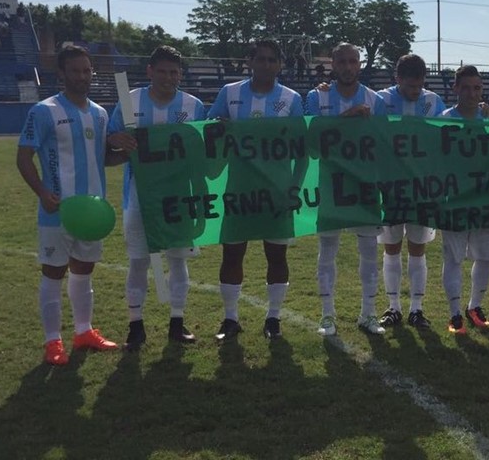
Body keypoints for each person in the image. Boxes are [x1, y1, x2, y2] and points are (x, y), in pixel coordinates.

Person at [16, 45, 124, 365]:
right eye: (75, 70)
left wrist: (128, 153)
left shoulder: (100, 114)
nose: (82, 76)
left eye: (87, 70)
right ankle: (53, 342)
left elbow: (102, 159)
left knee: (84, 272)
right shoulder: (44, 110)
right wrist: (42, 193)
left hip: (92, 214)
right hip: (57, 211)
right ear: (61, 73)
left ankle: (83, 331)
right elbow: (23, 157)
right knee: (53, 273)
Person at [107, 45, 206, 350]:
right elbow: (109, 145)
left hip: (179, 195)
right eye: (161, 71)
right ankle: (135, 326)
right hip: (139, 195)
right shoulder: (129, 99)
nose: (168, 77)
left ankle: (177, 322)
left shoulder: (193, 105)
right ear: (150, 71)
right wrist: (115, 140)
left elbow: (203, 150)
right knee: (139, 261)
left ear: (180, 74)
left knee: (177, 261)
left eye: (174, 72)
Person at [207, 40, 304, 340]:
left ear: (280, 65)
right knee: (232, 255)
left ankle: (273, 318)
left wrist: (294, 188)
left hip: (276, 191)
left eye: (272, 59)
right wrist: (217, 125)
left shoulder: (291, 98)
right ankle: (230, 319)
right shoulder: (230, 93)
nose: (265, 64)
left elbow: (301, 150)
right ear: (250, 61)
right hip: (239, 189)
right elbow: (209, 129)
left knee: (277, 256)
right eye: (260, 59)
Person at [305, 42, 388, 336]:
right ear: (333, 65)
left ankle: (369, 313)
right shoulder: (317, 97)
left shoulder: (375, 100)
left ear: (361, 64)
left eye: (354, 61)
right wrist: (347, 118)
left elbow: (383, 144)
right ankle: (327, 315)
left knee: (369, 252)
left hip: (365, 185)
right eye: (342, 62)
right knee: (327, 250)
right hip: (330, 184)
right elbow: (312, 140)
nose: (348, 67)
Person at [376, 54, 445, 330]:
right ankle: (393, 307)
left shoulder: (433, 101)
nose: (416, 92)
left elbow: (445, 138)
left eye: (420, 86)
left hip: (422, 186)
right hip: (390, 186)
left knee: (418, 250)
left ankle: (417, 309)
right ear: (397, 80)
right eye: (410, 87)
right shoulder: (381, 100)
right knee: (391, 249)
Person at [438, 65, 489, 334]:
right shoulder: (443, 120)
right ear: (455, 89)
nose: (472, 93)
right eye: (466, 87)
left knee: (486, 256)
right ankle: (454, 314)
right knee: (453, 258)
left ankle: (475, 306)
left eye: (477, 88)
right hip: (455, 199)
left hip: (487, 198)